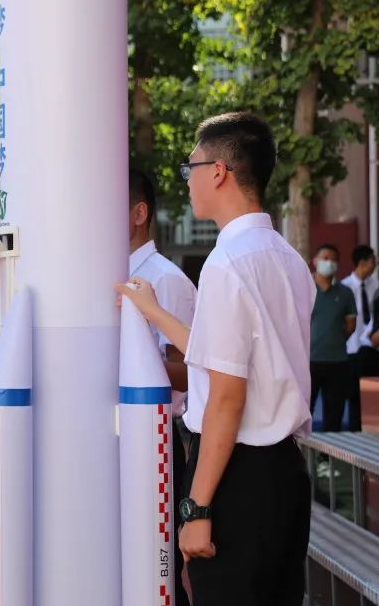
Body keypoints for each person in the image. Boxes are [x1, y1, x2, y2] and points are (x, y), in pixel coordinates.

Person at [119, 112, 312, 606]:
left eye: (192, 168)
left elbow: (227, 395)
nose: (189, 181)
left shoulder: (227, 263)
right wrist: (155, 312)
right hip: (283, 471)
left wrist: (197, 505)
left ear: (220, 171)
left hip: (236, 473)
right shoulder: (285, 257)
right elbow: (222, 360)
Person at [128, 168, 196, 606]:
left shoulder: (165, 278)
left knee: (157, 570)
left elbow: (190, 372)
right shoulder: (103, 272)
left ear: (139, 212)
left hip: (155, 439)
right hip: (117, 435)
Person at [309, 244, 357, 432]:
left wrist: (334, 340)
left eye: (332, 259)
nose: (328, 262)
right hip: (308, 361)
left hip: (337, 361)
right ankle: (304, 453)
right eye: (324, 258)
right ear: (315, 261)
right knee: (304, 411)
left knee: (334, 413)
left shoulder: (345, 293)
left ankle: (328, 458)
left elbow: (350, 326)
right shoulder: (304, 288)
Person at [341, 245, 379, 430]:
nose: (375, 264)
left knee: (370, 395)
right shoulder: (344, 286)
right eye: (373, 260)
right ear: (363, 262)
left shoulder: (376, 284)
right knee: (353, 394)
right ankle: (355, 430)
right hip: (351, 346)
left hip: (370, 346)